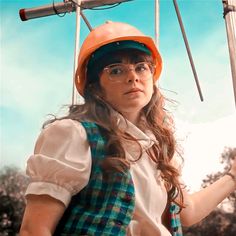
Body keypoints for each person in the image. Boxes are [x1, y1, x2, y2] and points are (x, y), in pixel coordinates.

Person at [20, 21, 236, 236]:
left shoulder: (155, 148)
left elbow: (189, 212)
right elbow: (35, 229)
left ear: (152, 78)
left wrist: (233, 176)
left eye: (141, 67)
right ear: (95, 88)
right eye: (115, 70)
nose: (133, 76)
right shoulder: (74, 134)